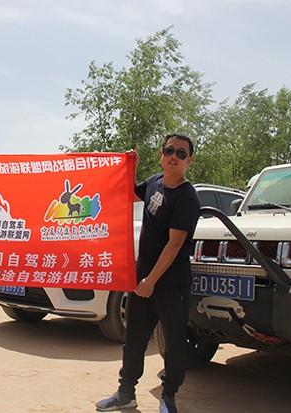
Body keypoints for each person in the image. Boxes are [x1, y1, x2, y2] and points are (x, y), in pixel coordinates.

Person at [96, 133, 201, 413]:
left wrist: (151, 280)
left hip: (170, 283)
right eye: (169, 151)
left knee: (174, 343)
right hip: (142, 280)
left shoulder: (187, 197)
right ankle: (125, 393)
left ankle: (168, 398)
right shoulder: (155, 181)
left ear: (189, 160)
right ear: (161, 154)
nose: (174, 157)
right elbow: (130, 194)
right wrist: (131, 166)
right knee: (134, 341)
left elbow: (175, 243)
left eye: (181, 153)